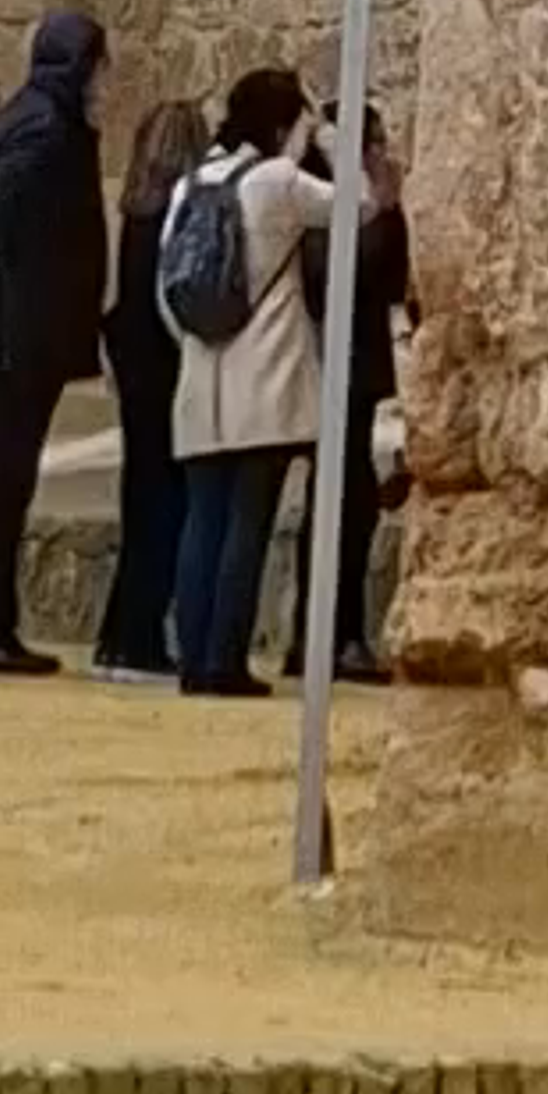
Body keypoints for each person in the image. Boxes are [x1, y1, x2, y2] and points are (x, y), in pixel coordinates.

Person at [166, 67, 331, 702]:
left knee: (202, 521)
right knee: (247, 523)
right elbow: (362, 203)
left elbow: (168, 284)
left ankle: (191, 655)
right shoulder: (279, 182)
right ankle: (224, 659)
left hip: (201, 373)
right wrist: (328, 135)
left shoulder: (191, 184)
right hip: (264, 377)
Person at [0, 6, 108, 673]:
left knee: (6, 480)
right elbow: (1, 217)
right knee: (4, 478)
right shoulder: (45, 129)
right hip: (23, 331)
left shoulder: (43, 120)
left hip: (28, 327)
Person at [94, 96, 199, 681]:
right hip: (164, 365)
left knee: (141, 498)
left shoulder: (135, 210)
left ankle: (120, 633)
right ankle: (141, 638)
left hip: (132, 360)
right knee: (166, 504)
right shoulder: (179, 215)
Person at [328, 105, 415, 685]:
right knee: (345, 504)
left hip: (344, 367)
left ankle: (333, 634)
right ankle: (338, 636)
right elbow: (373, 275)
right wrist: (388, 207)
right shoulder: (344, 199)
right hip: (346, 366)